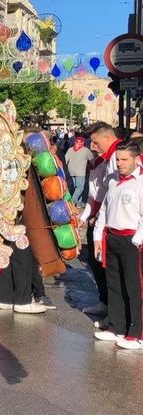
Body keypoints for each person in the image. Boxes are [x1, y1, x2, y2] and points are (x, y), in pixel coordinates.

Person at [92, 140, 143, 350]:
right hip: (111, 236)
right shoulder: (112, 180)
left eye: (124, 160)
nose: (120, 164)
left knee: (134, 287)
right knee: (114, 284)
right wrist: (97, 237)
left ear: (136, 159)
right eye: (117, 159)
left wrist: (137, 240)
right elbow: (104, 209)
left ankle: (137, 332)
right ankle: (116, 326)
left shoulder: (140, 182)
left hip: (132, 239)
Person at [79, 122, 122, 316]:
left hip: (112, 220)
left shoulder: (115, 157)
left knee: (109, 269)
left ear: (107, 137)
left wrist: (96, 216)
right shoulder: (105, 158)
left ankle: (115, 314)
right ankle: (107, 304)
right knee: (98, 264)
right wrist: (86, 215)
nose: (93, 146)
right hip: (101, 216)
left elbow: (109, 193)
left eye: (96, 142)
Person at [65, 136, 94, 207]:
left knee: (76, 188)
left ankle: (79, 204)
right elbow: (92, 160)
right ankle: (73, 201)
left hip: (71, 171)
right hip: (80, 172)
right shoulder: (86, 150)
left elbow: (65, 160)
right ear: (83, 142)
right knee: (80, 188)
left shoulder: (70, 149)